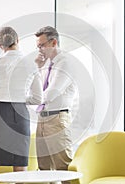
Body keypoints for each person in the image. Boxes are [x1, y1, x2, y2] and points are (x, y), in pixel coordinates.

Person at [0, 26, 43, 176]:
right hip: (20, 115)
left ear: (0, 46)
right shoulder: (31, 64)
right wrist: (19, 99)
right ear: (17, 40)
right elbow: (38, 98)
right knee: (19, 163)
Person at [34, 26, 77, 175]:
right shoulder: (47, 65)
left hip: (56, 119)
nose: (39, 49)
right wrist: (39, 68)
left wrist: (25, 100)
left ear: (53, 43)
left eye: (42, 45)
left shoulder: (65, 63)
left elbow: (51, 94)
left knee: (63, 167)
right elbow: (39, 89)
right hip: (42, 119)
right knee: (44, 168)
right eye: (37, 46)